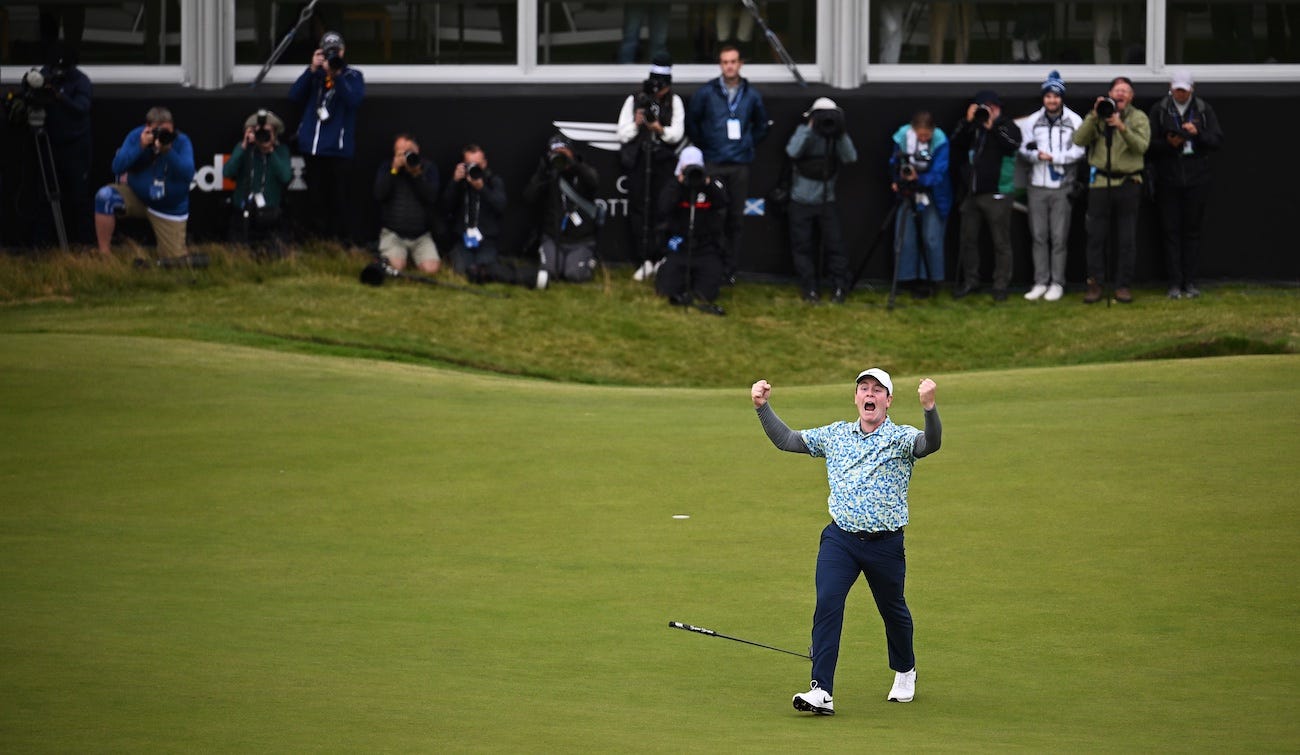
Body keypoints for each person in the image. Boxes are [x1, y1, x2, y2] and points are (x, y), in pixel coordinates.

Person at [751, 368, 942, 716]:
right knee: (828, 603)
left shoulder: (900, 437)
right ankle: (821, 689)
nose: (869, 395)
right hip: (841, 540)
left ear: (888, 400)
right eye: (863, 389)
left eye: (877, 390)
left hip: (885, 544)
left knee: (893, 610)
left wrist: (929, 409)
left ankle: (905, 668)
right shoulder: (836, 434)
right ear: (856, 398)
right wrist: (762, 407)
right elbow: (788, 440)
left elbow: (930, 444)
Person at [686, 44, 770, 281]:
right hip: (714, 162)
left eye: (733, 61)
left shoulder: (751, 95)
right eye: (725, 62)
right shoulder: (706, 92)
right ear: (720, 65)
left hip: (739, 164)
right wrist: (707, 145)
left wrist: (747, 144)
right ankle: (711, 265)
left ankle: (729, 269)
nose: (729, 66)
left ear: (740, 64)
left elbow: (762, 125)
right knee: (714, 217)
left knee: (735, 219)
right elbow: (693, 122)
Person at [1147, 70, 1224, 300]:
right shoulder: (1160, 109)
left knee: (1192, 231)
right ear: (1171, 87)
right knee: (1170, 231)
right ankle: (1173, 281)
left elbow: (1217, 140)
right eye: (1177, 89)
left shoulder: (1203, 109)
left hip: (1196, 178)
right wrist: (1170, 143)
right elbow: (1149, 145)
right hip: (1168, 178)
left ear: (1192, 89)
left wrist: (1197, 133)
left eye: (1184, 90)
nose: (1180, 94)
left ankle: (1190, 281)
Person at [1073, 76, 1150, 304]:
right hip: (1100, 184)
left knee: (1126, 239)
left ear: (1131, 96)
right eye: (1118, 90)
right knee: (1095, 237)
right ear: (1110, 93)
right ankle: (1095, 284)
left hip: (1128, 183)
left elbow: (1142, 147)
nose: (1121, 94)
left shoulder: (1138, 118)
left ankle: (1123, 285)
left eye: (1126, 91)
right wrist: (1094, 116)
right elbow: (1078, 140)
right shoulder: (1098, 114)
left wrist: (1121, 127)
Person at [288, 30, 364, 243]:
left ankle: (339, 242)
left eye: (336, 51)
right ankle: (316, 242)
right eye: (328, 51)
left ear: (343, 51)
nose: (332, 55)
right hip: (313, 149)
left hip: (338, 151)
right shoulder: (315, 77)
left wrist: (337, 75)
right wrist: (312, 69)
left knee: (339, 199)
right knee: (314, 198)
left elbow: (353, 100)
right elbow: (294, 96)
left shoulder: (353, 76)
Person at [617, 54, 686, 282]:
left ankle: (660, 257)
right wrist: (638, 124)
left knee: (662, 209)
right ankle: (643, 259)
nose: (658, 92)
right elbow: (623, 133)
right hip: (639, 162)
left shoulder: (674, 101)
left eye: (662, 88)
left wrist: (659, 129)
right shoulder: (634, 99)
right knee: (639, 210)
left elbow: (677, 134)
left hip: (664, 163)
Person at [1017, 71, 1086, 302]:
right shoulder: (1032, 121)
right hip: (1037, 185)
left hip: (1062, 186)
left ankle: (1057, 283)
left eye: (1056, 96)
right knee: (1038, 236)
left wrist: (1056, 158)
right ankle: (1040, 282)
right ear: (1043, 98)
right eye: (1048, 96)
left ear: (1062, 98)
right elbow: (1023, 148)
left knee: (1059, 238)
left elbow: (1080, 149)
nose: (1052, 100)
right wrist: (1037, 156)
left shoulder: (1075, 120)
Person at [94, 106, 195, 260]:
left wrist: (168, 151)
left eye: (166, 132)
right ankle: (104, 254)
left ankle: (177, 249)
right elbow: (117, 167)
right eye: (157, 131)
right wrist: (140, 146)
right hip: (138, 196)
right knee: (105, 196)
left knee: (174, 260)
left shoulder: (181, 141)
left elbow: (188, 175)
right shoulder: (137, 136)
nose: (162, 135)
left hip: (168, 208)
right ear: (148, 128)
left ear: (173, 128)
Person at [949, 90, 1022, 301]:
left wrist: (992, 128)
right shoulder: (973, 127)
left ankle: (1001, 285)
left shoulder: (1007, 126)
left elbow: (1013, 145)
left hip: (998, 192)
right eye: (984, 107)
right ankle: (971, 281)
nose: (988, 111)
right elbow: (956, 143)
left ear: (998, 108)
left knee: (1001, 242)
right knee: (968, 239)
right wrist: (967, 121)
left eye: (992, 107)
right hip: (971, 193)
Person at [785, 97, 858, 304]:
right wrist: (810, 127)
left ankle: (839, 287)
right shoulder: (805, 131)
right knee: (802, 247)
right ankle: (810, 289)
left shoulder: (836, 135)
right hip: (800, 200)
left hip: (827, 200)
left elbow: (850, 157)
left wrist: (841, 131)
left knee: (835, 246)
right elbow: (792, 151)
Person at [654, 147, 729, 316]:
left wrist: (707, 183)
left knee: (706, 295)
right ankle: (668, 268)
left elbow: (723, 201)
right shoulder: (674, 184)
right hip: (680, 245)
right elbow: (663, 207)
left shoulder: (712, 182)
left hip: (706, 248)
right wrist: (680, 183)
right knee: (665, 291)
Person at [523, 134, 601, 289]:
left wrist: (574, 164)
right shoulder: (548, 174)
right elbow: (529, 197)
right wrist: (543, 170)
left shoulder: (582, 172)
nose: (560, 157)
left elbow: (594, 182)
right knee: (549, 272)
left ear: (572, 152)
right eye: (555, 153)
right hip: (553, 237)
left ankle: (588, 261)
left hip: (580, 240)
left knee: (574, 275)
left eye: (563, 153)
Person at [35, 41, 94, 246]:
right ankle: (41, 245)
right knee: (45, 197)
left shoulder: (81, 81)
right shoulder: (45, 74)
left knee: (79, 198)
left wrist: (60, 97)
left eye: (62, 69)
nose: (58, 72)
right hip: (49, 145)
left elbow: (82, 108)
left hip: (76, 147)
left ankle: (85, 244)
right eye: (54, 68)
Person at [889, 111, 952, 299]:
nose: (923, 138)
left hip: (934, 192)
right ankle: (905, 278)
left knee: (931, 237)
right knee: (905, 236)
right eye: (920, 135)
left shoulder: (940, 141)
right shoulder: (902, 137)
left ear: (933, 131)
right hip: (908, 192)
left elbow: (940, 172)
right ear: (913, 130)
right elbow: (894, 161)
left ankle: (930, 279)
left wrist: (921, 179)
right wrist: (897, 178)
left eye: (927, 135)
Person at [224, 109, 293, 255]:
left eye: (268, 132)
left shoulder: (281, 151)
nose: (263, 136)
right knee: (238, 255)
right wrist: (243, 147)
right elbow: (227, 172)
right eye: (259, 132)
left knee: (275, 254)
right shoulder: (244, 149)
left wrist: (270, 151)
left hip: (270, 215)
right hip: (243, 214)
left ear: (274, 134)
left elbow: (286, 177)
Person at [374, 133, 441, 275]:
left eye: (409, 152)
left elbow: (431, 197)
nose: (405, 157)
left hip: (421, 235)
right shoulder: (387, 167)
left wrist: (416, 174)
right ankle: (395, 257)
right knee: (395, 267)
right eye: (401, 153)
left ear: (417, 150)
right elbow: (380, 195)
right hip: (394, 233)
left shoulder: (429, 168)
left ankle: (413, 257)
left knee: (431, 269)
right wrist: (394, 170)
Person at [441, 144, 508, 282]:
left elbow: (501, 206)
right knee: (463, 270)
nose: (474, 168)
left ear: (484, 163)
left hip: (486, 239)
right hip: (463, 238)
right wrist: (454, 181)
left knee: (483, 269)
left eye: (477, 164)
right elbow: (444, 207)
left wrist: (482, 188)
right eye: (469, 164)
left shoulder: (493, 181)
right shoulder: (460, 183)